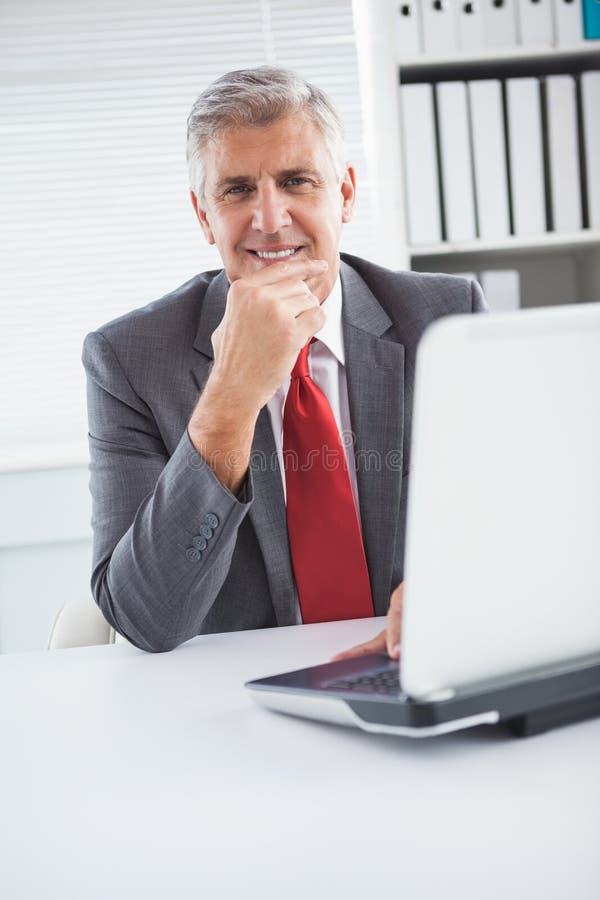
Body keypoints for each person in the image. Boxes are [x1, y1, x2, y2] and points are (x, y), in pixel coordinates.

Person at [83, 66, 485, 654]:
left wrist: (454, 586)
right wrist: (231, 396)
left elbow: (519, 520)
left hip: (413, 667)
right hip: (237, 702)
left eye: (297, 181)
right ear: (204, 215)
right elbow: (145, 619)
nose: (270, 221)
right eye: (237, 190)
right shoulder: (128, 360)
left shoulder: (446, 319)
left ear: (344, 194)